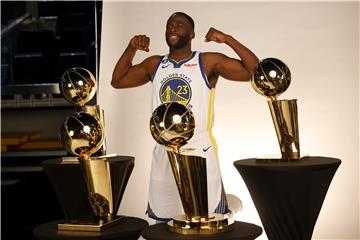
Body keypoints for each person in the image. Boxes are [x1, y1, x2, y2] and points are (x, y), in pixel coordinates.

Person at [111, 12, 259, 221]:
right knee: (163, 221)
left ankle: (229, 207)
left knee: (206, 219)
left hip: (198, 149)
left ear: (192, 34)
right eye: (169, 25)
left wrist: (227, 39)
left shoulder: (207, 61)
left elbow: (255, 71)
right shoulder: (155, 64)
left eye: (179, 25)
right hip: (164, 151)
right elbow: (117, 80)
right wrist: (131, 47)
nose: (172, 27)